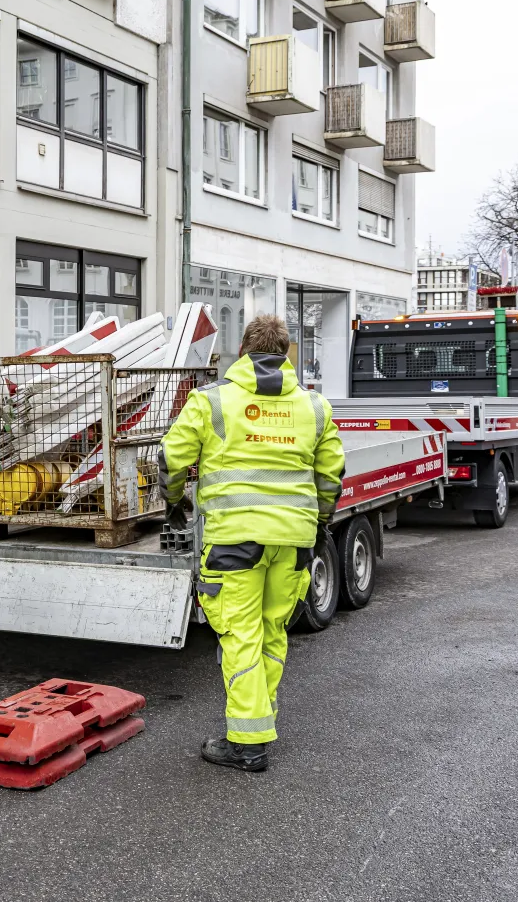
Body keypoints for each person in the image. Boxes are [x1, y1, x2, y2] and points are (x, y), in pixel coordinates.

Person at [159, 315, 346, 772]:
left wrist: (173, 503)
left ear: (243, 350)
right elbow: (330, 477)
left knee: (240, 636)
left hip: (235, 542)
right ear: (287, 354)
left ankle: (248, 743)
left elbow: (171, 459)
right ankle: (258, 723)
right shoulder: (315, 407)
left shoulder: (212, 402)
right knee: (271, 632)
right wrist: (321, 522)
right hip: (295, 540)